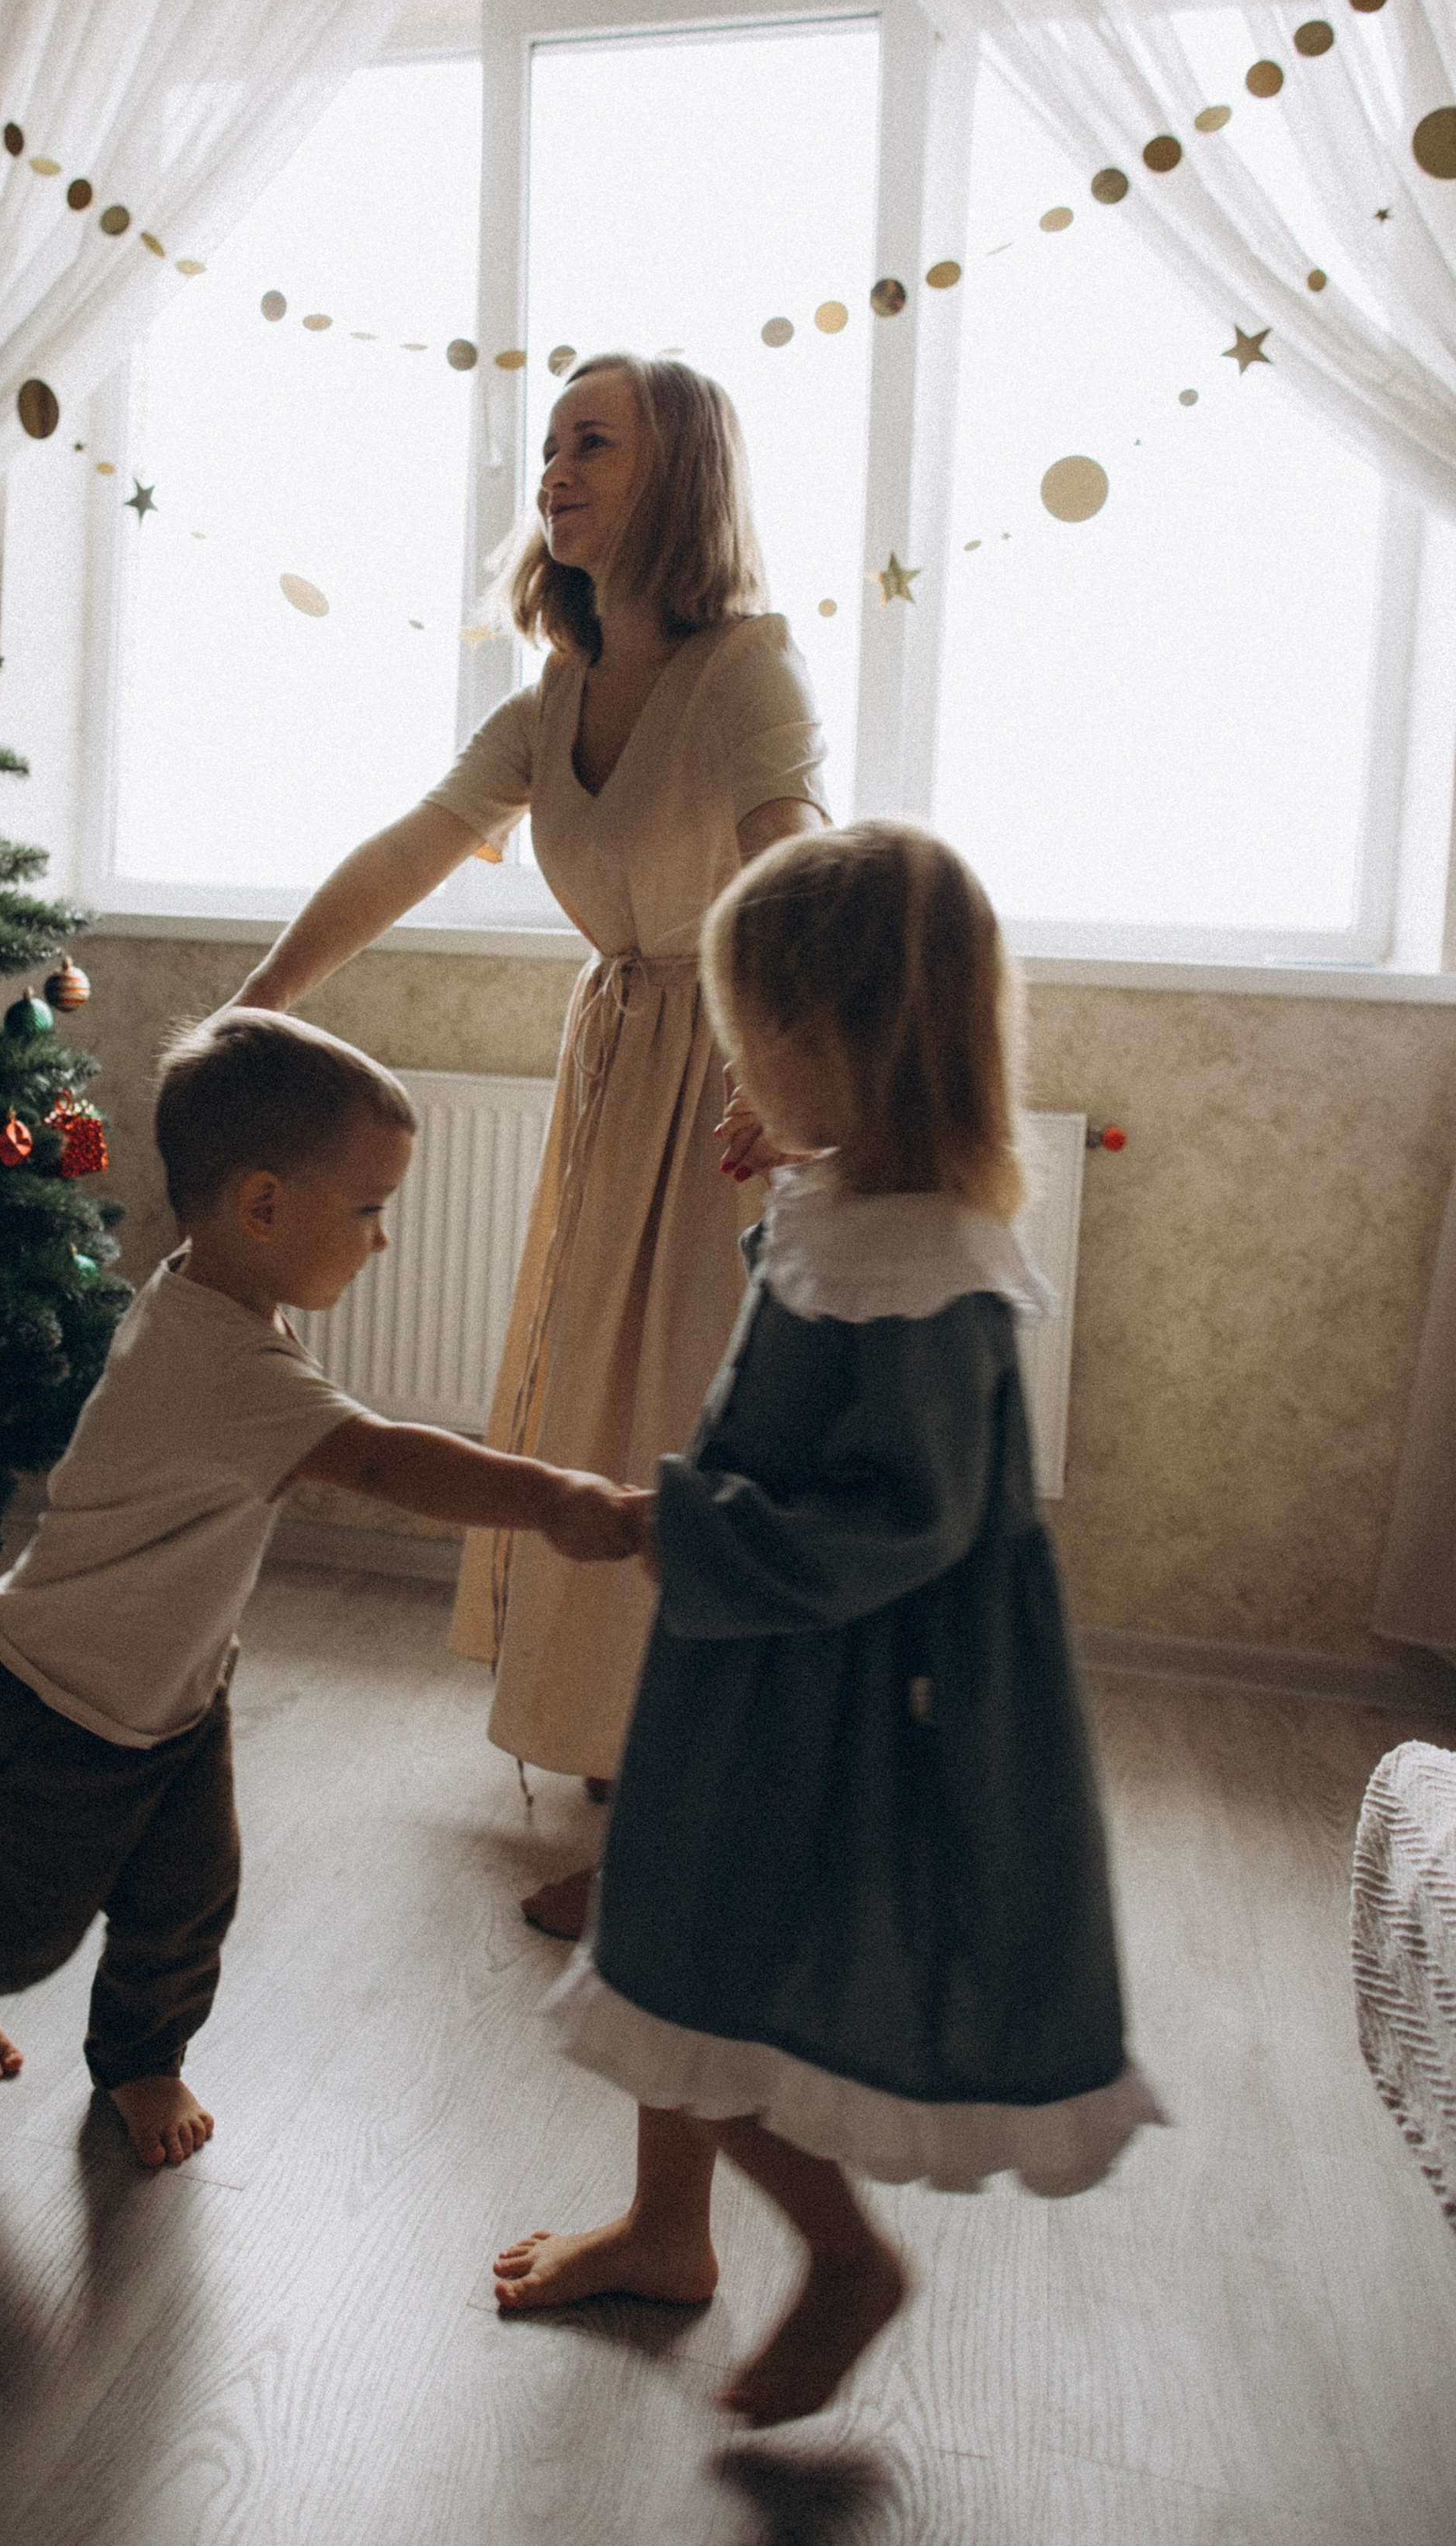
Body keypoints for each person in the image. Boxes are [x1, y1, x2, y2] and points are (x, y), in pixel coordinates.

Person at [493, 822, 1166, 2423]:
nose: (736, 1076)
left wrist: (689, 1530)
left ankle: (838, 2254)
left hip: (843, 1697)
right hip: (756, 1668)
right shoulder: (861, 1195)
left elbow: (908, 1520)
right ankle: (669, 2236)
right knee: (668, 1944)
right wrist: (787, 1146)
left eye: (753, 1047)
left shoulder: (927, 1268)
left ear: (840, 1046)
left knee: (700, 1969)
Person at [232, 353, 828, 1936]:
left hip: (725, 1081)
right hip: (621, 1058)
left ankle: (707, 1811)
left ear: (676, 474)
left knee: (688, 1425)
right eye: (549, 443)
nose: (554, 467)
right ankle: (637, 1753)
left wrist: (787, 1058)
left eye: (592, 443)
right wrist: (254, 1007)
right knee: (598, 1403)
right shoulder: (551, 694)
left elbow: (793, 854)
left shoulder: (748, 667)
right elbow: (408, 850)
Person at [0, 1011, 648, 2168]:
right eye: (369, 1209)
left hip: (177, 1698)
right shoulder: (216, 1359)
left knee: (188, 1902)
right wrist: (553, 1500)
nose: (381, 1239)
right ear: (260, 1207)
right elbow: (390, 1459)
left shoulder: (220, 1294)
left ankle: (144, 2059)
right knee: (21, 1924)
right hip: (49, 1706)